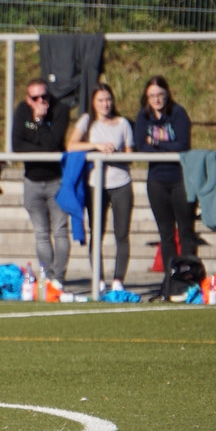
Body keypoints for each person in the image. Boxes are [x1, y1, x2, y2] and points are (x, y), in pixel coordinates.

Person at [66, 83, 134, 291]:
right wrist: (96, 146)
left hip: (121, 183)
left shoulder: (123, 123)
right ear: (93, 103)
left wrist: (116, 153)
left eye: (108, 99)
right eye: (101, 100)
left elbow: (130, 154)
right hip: (96, 185)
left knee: (122, 233)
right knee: (97, 232)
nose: (105, 104)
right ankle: (99, 279)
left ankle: (118, 280)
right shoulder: (88, 121)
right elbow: (71, 145)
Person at [133, 75, 194, 295]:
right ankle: (171, 279)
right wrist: (166, 146)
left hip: (180, 179)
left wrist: (156, 142)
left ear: (167, 94)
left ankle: (190, 276)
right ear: (146, 97)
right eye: (152, 96)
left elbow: (183, 144)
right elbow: (141, 146)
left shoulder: (178, 113)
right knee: (166, 234)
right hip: (157, 180)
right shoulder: (143, 116)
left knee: (186, 231)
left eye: (160, 94)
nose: (156, 99)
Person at [12, 77, 71, 289]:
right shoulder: (22, 110)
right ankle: (47, 275)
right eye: (35, 98)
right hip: (32, 180)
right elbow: (17, 145)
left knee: (60, 231)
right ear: (28, 99)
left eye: (44, 96)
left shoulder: (60, 110)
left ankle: (59, 278)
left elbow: (53, 143)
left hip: (57, 180)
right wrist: (41, 143)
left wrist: (40, 122)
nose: (41, 101)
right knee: (41, 233)